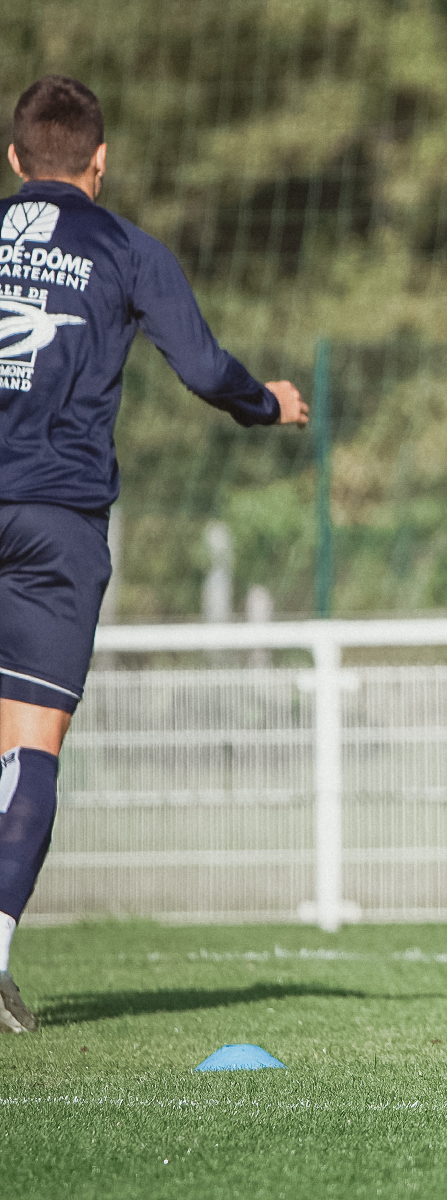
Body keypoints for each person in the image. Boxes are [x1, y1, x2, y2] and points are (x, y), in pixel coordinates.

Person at [0, 76, 308, 1033]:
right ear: (100, 162)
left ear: (15, 162)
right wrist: (269, 402)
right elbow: (204, 367)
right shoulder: (125, 248)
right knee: (27, 745)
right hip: (55, 521)